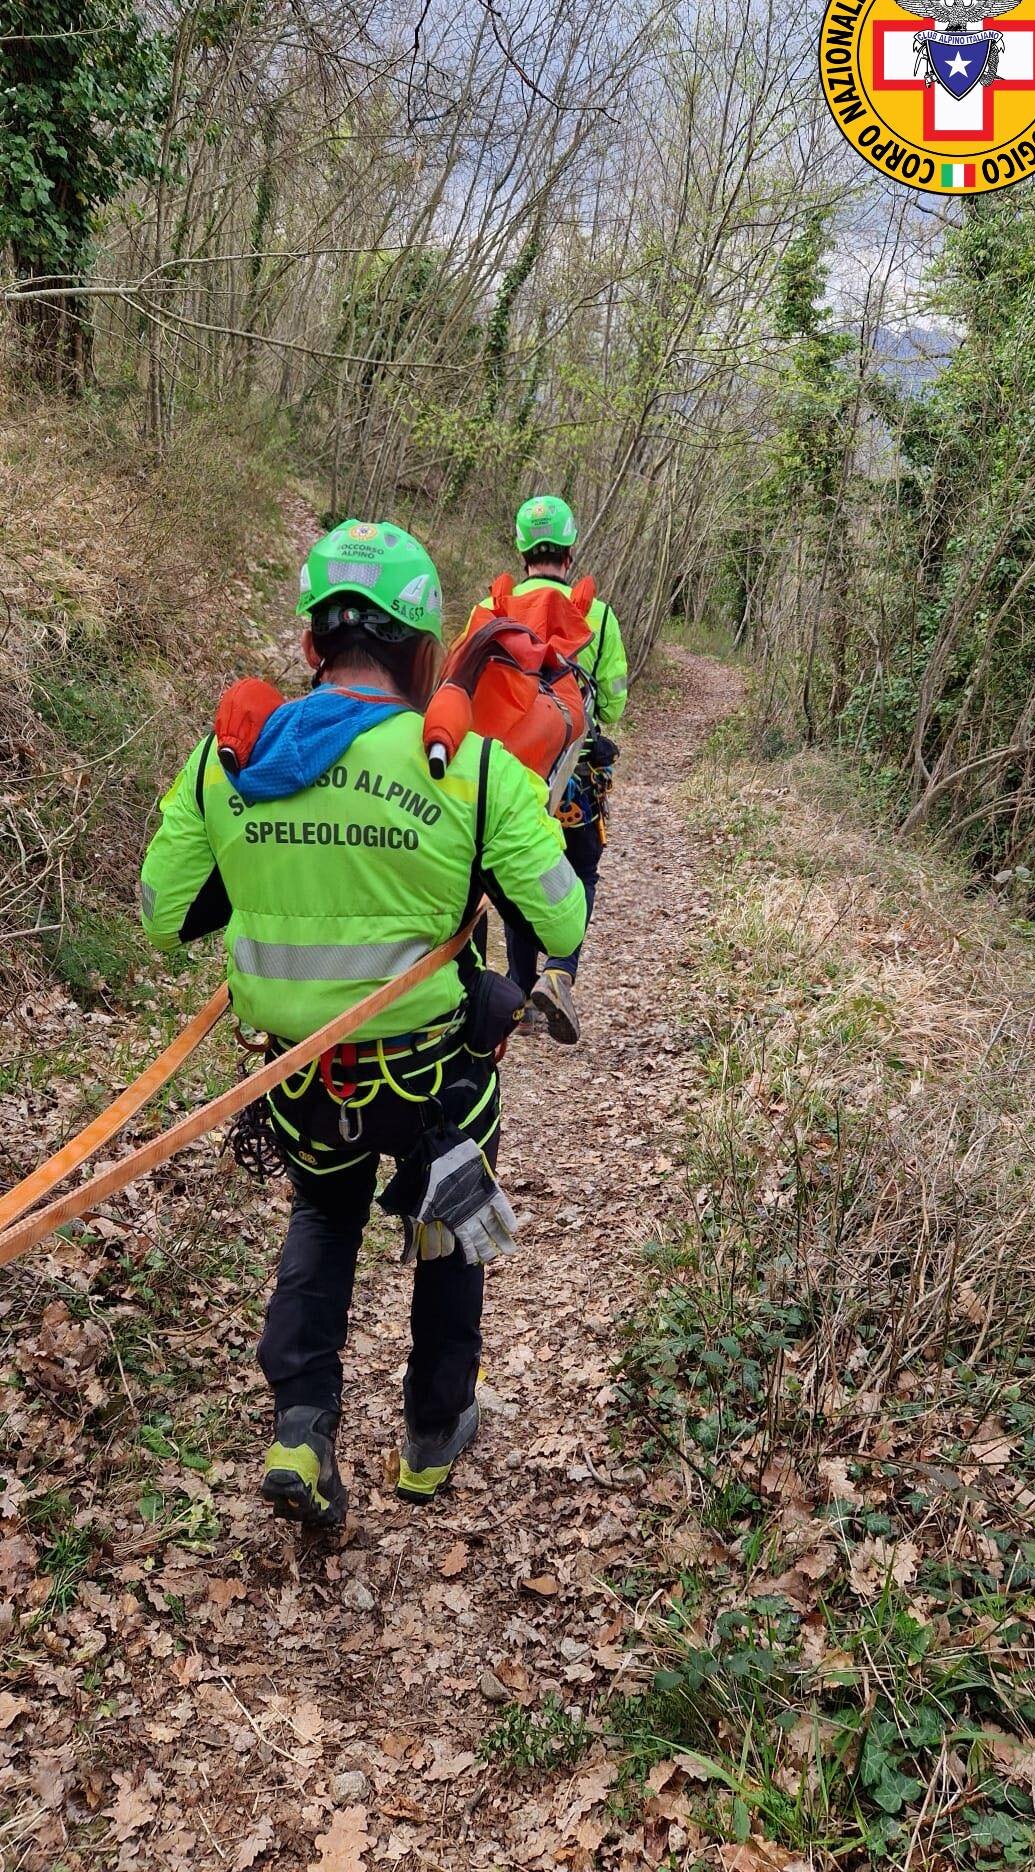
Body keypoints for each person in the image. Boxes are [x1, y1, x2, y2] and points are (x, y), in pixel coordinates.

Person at [139, 520, 586, 1523]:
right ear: (423, 644)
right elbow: (562, 915)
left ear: (314, 643)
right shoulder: (469, 767)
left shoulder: (231, 760)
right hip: (436, 1078)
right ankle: (432, 1437)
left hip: (302, 1079)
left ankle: (301, 1421)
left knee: (324, 1215)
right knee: (456, 1230)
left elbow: (166, 911)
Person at [482, 494, 627, 1045]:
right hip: (574, 775)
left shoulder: (491, 607)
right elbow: (612, 701)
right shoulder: (600, 615)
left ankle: (519, 988)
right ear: (569, 551)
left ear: (522, 551)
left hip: (504, 778)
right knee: (581, 868)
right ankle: (561, 969)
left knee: (515, 881)